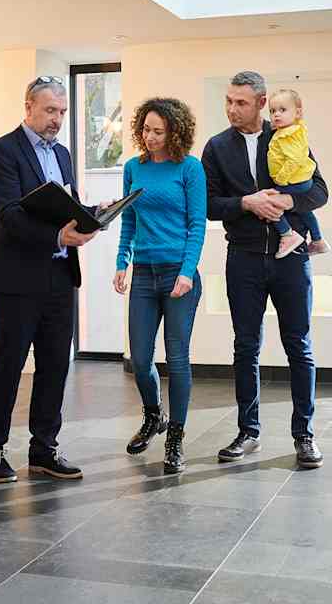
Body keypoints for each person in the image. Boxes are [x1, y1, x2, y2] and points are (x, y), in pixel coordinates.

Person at [201, 71, 328, 469]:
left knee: (299, 346)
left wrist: (287, 203)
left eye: (240, 102)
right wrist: (246, 203)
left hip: (292, 258)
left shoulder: (287, 134)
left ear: (260, 102)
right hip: (243, 259)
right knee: (245, 347)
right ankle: (248, 431)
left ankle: (304, 435)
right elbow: (207, 205)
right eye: (228, 101)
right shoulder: (216, 147)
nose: (231, 109)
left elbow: (319, 191)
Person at [0, 76, 96, 484]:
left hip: (60, 276)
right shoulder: (1, 151)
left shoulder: (62, 154)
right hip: (15, 279)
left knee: (55, 366)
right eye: (49, 111)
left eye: (62, 112)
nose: (57, 119)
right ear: (28, 107)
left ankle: (44, 449)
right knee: (9, 365)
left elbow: (65, 206)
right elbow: (10, 214)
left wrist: (93, 215)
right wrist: (58, 236)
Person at [113, 98, 206, 475]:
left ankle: (176, 437)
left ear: (174, 133)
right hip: (144, 274)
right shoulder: (133, 168)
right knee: (139, 358)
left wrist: (187, 271)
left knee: (177, 357)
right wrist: (122, 262)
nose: (150, 137)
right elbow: (128, 220)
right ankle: (154, 416)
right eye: (146, 130)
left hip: (178, 275)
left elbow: (197, 224)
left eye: (158, 132)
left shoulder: (190, 168)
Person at [265, 88, 330, 258]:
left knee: (269, 204)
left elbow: (294, 160)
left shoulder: (287, 134)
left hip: (293, 181)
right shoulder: (293, 130)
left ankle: (287, 234)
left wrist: (281, 180)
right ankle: (318, 240)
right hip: (302, 181)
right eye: (272, 111)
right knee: (304, 210)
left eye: (282, 110)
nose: (276, 114)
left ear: (298, 113)